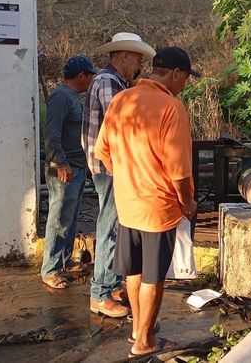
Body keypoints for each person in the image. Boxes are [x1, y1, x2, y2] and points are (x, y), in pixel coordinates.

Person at [95, 46, 200, 358]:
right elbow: (179, 171)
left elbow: (103, 150)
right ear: (176, 74)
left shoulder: (121, 99)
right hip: (158, 209)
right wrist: (187, 203)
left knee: (134, 271)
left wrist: (124, 175)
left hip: (127, 205)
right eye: (185, 79)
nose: (184, 85)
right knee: (153, 277)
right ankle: (144, 343)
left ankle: (137, 330)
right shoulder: (171, 108)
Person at [84, 33, 156, 318]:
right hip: (111, 166)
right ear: (125, 55)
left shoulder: (114, 82)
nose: (139, 65)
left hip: (111, 164)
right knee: (110, 226)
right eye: (137, 59)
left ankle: (110, 283)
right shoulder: (108, 83)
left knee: (114, 225)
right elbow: (124, 123)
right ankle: (100, 292)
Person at [41, 55, 96, 289]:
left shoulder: (73, 97)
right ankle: (50, 269)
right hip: (62, 166)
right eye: (89, 75)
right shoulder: (61, 97)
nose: (92, 80)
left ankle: (62, 262)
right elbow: (51, 135)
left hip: (76, 166)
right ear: (81, 76)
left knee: (70, 217)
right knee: (59, 217)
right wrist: (61, 163)